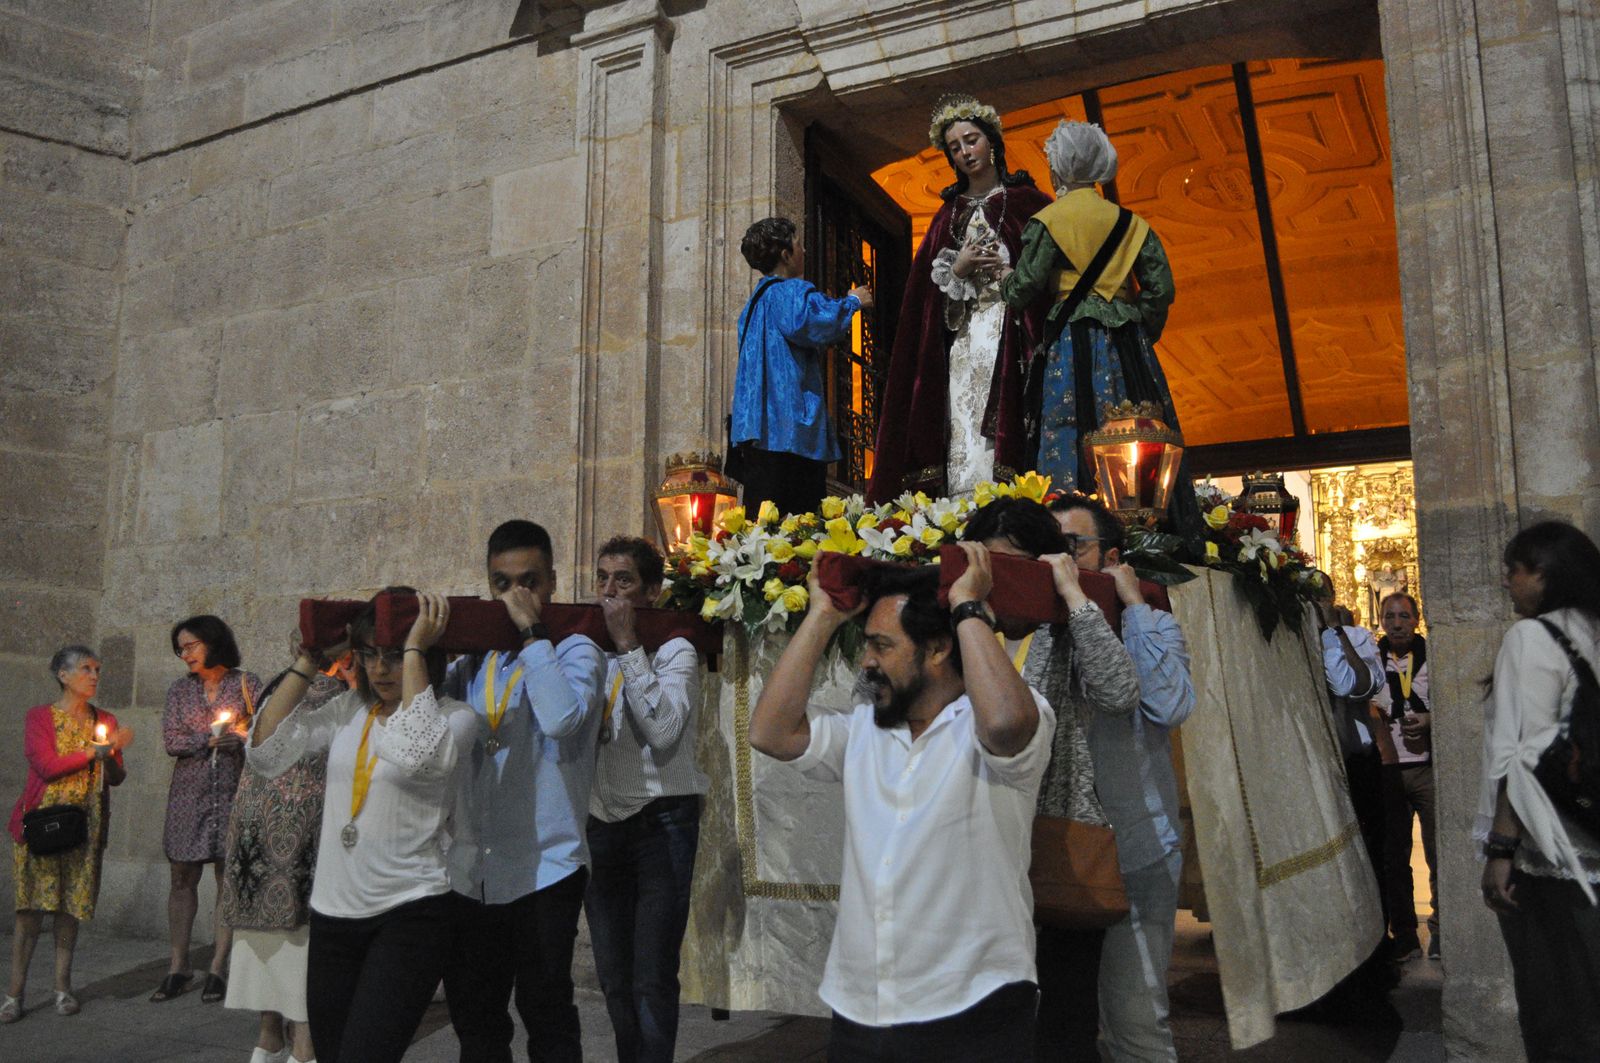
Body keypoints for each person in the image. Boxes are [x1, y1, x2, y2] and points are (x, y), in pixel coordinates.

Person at [751, 549, 1055, 1061]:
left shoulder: (999, 722)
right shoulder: (868, 730)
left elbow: (1004, 725)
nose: (867, 660)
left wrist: (967, 606)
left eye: (882, 645)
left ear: (937, 649)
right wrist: (823, 615)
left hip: (972, 1003)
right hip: (861, 1004)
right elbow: (771, 732)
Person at [249, 590, 475, 1063]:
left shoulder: (456, 719)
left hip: (408, 913)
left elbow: (416, 752)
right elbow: (265, 752)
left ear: (426, 656)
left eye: (394, 656)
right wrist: (308, 662)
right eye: (370, 655)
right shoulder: (350, 712)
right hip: (333, 914)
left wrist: (414, 649)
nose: (379, 669)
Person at [960, 497, 1143, 1059]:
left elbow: (1118, 693)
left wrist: (1073, 598)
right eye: (990, 565)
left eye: (1016, 565)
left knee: (1064, 1024)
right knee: (985, 1024)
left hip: (1053, 842)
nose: (1001, 580)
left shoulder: (1063, 632)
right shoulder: (960, 628)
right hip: (973, 849)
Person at [442, 520, 607, 1063]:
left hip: (546, 866)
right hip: (472, 869)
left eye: (528, 582)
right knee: (475, 1017)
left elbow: (561, 718)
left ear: (552, 583)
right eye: (502, 583)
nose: (515, 596)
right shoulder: (471, 658)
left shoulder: (577, 650)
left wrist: (534, 636)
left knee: (547, 1011)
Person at [1047, 493, 1194, 1060]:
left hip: (1136, 849)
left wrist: (1132, 601)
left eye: (1071, 547)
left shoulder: (1144, 617)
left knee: (1136, 1022)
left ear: (1109, 557)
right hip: (1051, 852)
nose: (1057, 561)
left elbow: (1169, 703)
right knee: (1058, 1025)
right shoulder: (1032, 620)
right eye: (1048, 547)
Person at [998, 121, 1193, 530]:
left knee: (1066, 421)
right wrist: (1141, 332)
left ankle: (1067, 522)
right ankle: (1144, 520)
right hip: (1126, 340)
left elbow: (1024, 288)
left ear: (1057, 168)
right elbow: (1161, 288)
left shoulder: (1048, 221)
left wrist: (1003, 280)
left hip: (1070, 338)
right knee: (1135, 424)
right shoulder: (1132, 223)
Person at [867, 93, 1052, 502]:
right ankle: (964, 508)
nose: (966, 153)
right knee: (963, 420)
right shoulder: (946, 216)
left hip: (1013, 334)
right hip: (966, 339)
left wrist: (1010, 274)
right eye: (956, 147)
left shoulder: (1028, 204)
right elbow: (926, 304)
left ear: (991, 141)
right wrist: (960, 268)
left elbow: (1049, 276)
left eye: (972, 140)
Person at [1480, 520, 1600, 1060]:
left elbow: (1522, 760)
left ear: (1543, 575)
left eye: (1514, 570)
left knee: (1559, 1012)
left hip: (1556, 858)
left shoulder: (1532, 637)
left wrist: (1500, 852)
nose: (1507, 581)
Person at [587, 535, 709, 1063]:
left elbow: (663, 730)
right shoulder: (586, 649)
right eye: (602, 579)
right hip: (601, 820)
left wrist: (628, 648)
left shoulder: (675, 649)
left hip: (663, 821)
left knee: (652, 974)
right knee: (613, 977)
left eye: (624, 581)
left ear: (653, 592)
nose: (609, 592)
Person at [221, 633, 347, 1063]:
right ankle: (286, 1042)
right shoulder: (320, 689)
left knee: (288, 944)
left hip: (267, 832)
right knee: (289, 945)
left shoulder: (305, 686)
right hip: (287, 834)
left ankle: (275, 1040)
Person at [3, 646, 131, 1023]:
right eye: (85, 669)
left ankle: (62, 987)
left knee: (68, 911)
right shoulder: (40, 717)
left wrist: (109, 757)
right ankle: (14, 993)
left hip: (83, 828)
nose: (93, 676)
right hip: (42, 825)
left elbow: (118, 778)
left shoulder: (103, 719)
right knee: (30, 913)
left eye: (97, 670)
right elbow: (46, 766)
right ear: (62, 674)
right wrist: (98, 752)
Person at [730, 216, 872, 518]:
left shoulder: (754, 303)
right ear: (785, 254)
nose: (804, 251)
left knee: (763, 525)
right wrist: (852, 301)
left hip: (757, 433)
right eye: (799, 244)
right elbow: (813, 322)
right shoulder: (788, 291)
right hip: (787, 430)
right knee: (798, 522)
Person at [154, 615, 262, 1004]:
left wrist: (241, 740)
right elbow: (171, 739)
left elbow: (266, 732)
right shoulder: (179, 691)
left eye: (191, 646)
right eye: (180, 648)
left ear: (213, 642)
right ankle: (178, 966)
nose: (184, 655)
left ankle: (218, 965)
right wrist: (208, 738)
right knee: (182, 877)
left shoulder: (247, 684)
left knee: (226, 876)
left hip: (234, 791)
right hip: (190, 795)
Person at [1372, 592, 1439, 962]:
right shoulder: (1371, 660)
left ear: (1416, 619)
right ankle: (1406, 933)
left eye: (1403, 616)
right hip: (1389, 769)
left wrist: (1429, 720)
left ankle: (1443, 926)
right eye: (1390, 616)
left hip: (1427, 767)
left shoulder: (1433, 656)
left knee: (1437, 851)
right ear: (1381, 621)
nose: (1397, 623)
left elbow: (1453, 702)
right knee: (1394, 855)